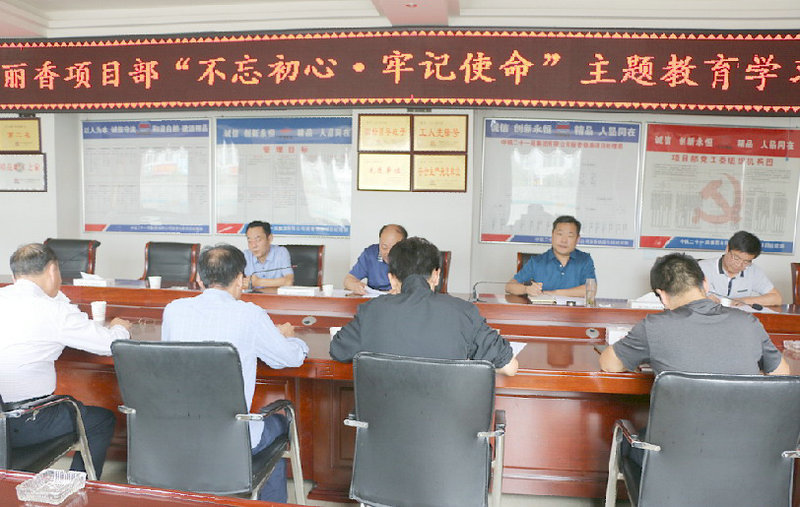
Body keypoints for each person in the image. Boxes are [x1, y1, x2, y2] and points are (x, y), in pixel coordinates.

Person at [162, 244, 308, 503]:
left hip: (178, 432)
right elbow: (289, 359)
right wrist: (290, 338)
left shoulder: (173, 310)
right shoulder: (249, 314)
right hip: (231, 440)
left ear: (199, 280)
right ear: (240, 279)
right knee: (280, 422)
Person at [0, 243, 132, 478]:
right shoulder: (53, 311)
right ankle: (75, 488)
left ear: (14, 276)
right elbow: (110, 345)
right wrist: (120, 328)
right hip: (26, 421)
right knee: (101, 421)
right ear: (53, 270)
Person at [331, 237, 518, 376]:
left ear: (392, 279)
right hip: (447, 418)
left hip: (381, 418)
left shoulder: (371, 311)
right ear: (436, 276)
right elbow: (510, 367)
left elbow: (338, 350)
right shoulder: (463, 312)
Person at [600, 252, 789, 376]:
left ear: (661, 295)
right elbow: (781, 372)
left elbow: (610, 365)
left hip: (676, 428)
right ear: (705, 284)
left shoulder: (653, 327)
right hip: (744, 427)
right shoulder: (748, 323)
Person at [506, 215, 596, 298]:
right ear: (552, 235)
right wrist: (526, 289)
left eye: (570, 236)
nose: (564, 240)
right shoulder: (537, 262)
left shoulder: (585, 260)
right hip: (543, 310)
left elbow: (590, 290)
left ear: (577, 239)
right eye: (560, 234)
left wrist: (552, 293)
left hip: (574, 310)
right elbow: (509, 286)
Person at [699, 230, 781, 307]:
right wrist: (703, 299)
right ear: (727, 249)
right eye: (736, 258)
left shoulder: (753, 271)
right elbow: (690, 297)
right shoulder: (702, 267)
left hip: (737, 316)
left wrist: (745, 300)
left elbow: (776, 298)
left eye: (746, 261)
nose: (739, 264)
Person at [343, 223, 408, 295]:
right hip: (375, 299)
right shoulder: (370, 254)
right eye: (384, 247)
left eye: (394, 248)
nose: (388, 253)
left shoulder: (412, 257)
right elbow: (348, 280)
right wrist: (355, 286)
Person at [244, 220, 294, 289]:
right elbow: (237, 283)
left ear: (269, 238)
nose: (253, 245)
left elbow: (289, 281)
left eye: (258, 240)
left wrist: (258, 282)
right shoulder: (246, 255)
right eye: (249, 241)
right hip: (253, 296)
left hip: (276, 296)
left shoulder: (281, 252)